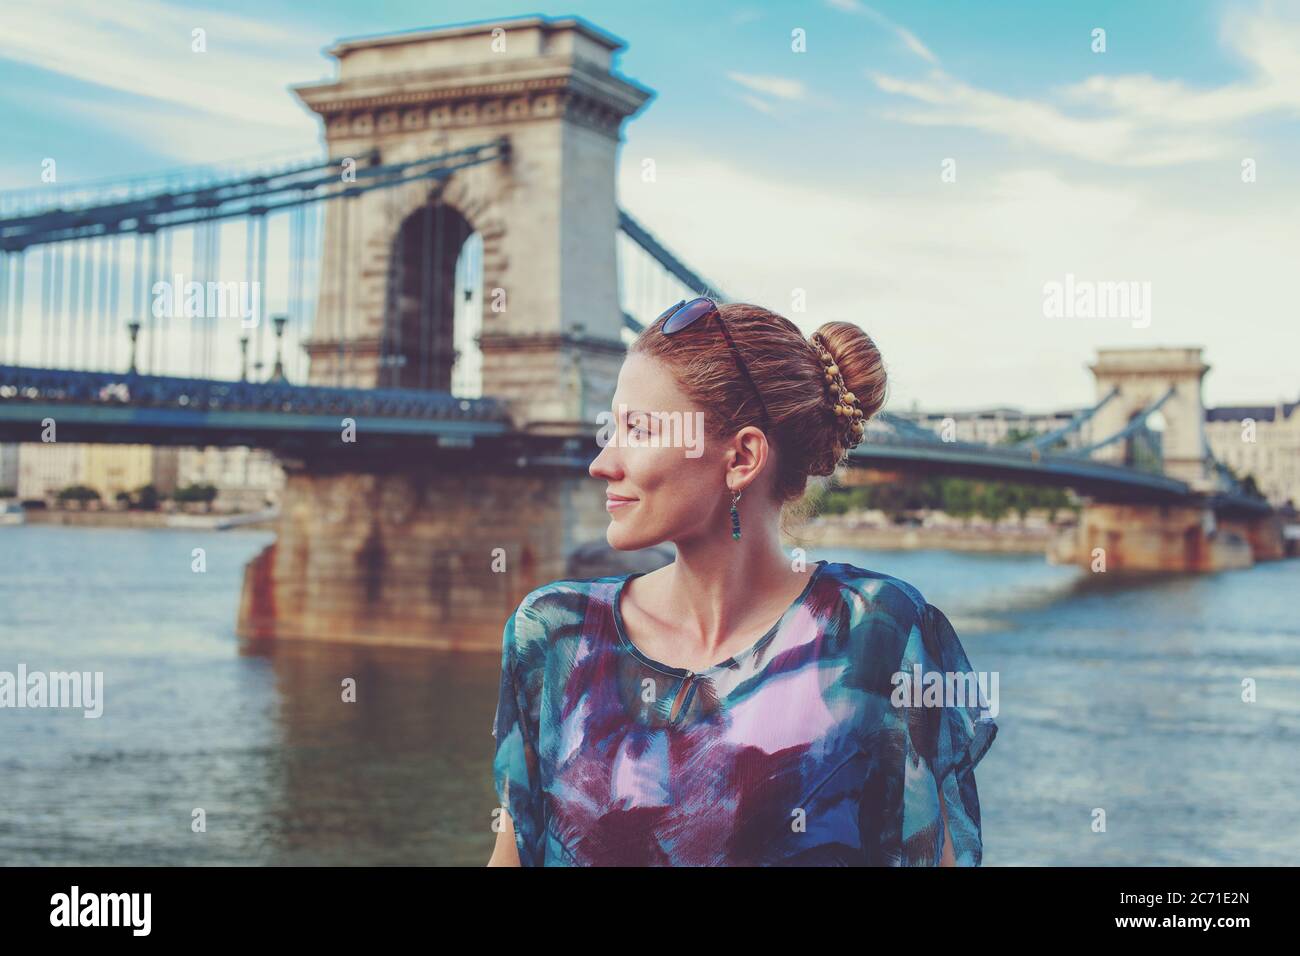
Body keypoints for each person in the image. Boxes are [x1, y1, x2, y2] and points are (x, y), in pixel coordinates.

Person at [486, 297, 997, 866]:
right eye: (614, 427)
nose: (603, 462)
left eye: (638, 429)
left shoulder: (877, 634)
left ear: (742, 457)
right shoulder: (554, 636)